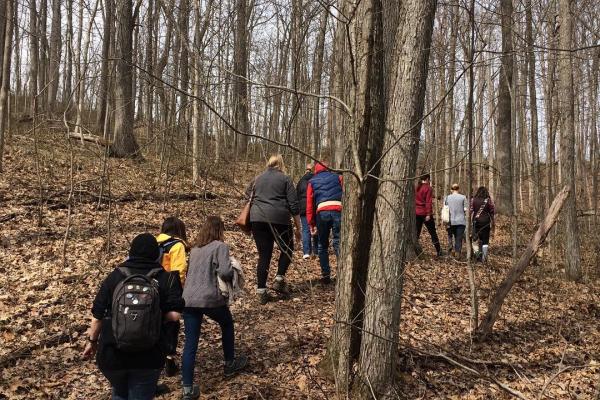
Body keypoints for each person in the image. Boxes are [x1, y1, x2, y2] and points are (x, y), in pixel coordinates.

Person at [82, 233, 184, 400]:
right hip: (149, 355)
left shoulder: (115, 276)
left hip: (113, 354)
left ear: (131, 252)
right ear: (157, 254)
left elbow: (97, 315)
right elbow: (174, 316)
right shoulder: (165, 278)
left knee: (120, 393)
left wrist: (92, 342)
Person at [181, 216, 247, 400]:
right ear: (220, 230)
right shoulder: (220, 246)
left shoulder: (195, 249)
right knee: (227, 324)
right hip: (209, 298)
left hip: (188, 299)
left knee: (190, 344)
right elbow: (225, 272)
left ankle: (187, 388)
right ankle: (229, 363)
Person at [246, 154, 301, 304]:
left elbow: (247, 195)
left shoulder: (257, 179)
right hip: (279, 219)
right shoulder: (285, 179)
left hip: (257, 218)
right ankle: (279, 278)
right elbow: (294, 205)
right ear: (281, 164)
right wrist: (298, 227)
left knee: (264, 255)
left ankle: (261, 291)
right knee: (287, 248)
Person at [156, 217, 189, 378]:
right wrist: (180, 292)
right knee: (171, 324)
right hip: (169, 289)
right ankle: (169, 360)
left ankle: (156, 360)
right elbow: (179, 271)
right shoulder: (177, 245)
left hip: (150, 288)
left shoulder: (154, 242)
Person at [306, 160, 342, 284]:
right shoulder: (338, 177)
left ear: (315, 169)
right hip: (338, 209)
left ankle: (326, 275)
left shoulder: (312, 182)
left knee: (322, 245)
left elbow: (309, 205)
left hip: (322, 212)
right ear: (328, 168)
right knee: (338, 242)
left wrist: (311, 223)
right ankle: (342, 272)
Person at [415, 174, 443, 257]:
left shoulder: (416, 187)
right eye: (429, 180)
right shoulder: (428, 188)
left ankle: (416, 250)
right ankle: (439, 251)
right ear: (427, 179)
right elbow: (428, 202)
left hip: (416, 213)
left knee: (416, 233)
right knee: (433, 233)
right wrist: (428, 214)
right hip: (424, 213)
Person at [296, 163, 319, 259]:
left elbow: (297, 195)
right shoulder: (317, 179)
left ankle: (306, 252)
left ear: (306, 170)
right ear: (313, 170)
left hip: (303, 208)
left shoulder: (300, 181)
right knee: (316, 227)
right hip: (314, 206)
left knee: (305, 229)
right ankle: (316, 251)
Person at [471, 186, 495, 262]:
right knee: (485, 240)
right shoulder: (488, 200)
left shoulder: (473, 200)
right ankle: (484, 258)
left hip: (476, 221)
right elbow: (492, 211)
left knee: (474, 239)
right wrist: (493, 221)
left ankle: (477, 255)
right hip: (486, 222)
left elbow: (471, 210)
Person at [444, 183, 468, 258]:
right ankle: (457, 253)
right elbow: (465, 209)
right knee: (458, 238)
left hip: (450, 221)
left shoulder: (447, 198)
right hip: (460, 221)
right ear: (458, 189)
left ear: (451, 189)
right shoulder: (463, 197)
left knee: (450, 236)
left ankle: (450, 250)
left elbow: (445, 209)